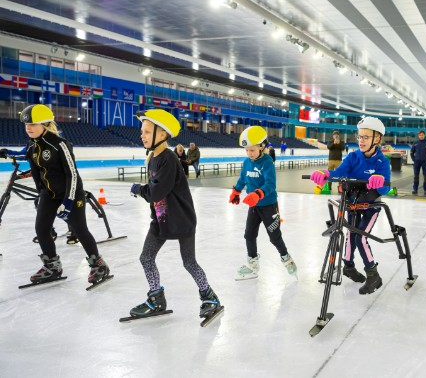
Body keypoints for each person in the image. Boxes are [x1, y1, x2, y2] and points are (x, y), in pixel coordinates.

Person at [129, 109, 223, 321]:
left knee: (189, 262)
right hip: (161, 219)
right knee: (146, 257)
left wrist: (138, 189)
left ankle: (210, 297)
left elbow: (155, 192)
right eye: (141, 131)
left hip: (181, 219)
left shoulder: (169, 159)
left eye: (146, 131)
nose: (141, 135)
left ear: (162, 134)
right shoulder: (153, 156)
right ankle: (156, 299)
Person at [18, 104, 110, 287]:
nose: (28, 127)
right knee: (42, 229)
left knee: (80, 230)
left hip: (71, 194)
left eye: (33, 124)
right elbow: (36, 172)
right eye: (26, 124)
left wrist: (68, 201)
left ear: (45, 124)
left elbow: (72, 174)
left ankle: (98, 265)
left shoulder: (60, 144)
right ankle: (52, 265)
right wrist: (40, 194)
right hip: (49, 195)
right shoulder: (32, 145)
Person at [309, 117, 391, 295]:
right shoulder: (353, 156)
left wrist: (380, 181)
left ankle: (373, 274)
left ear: (377, 139)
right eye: (359, 137)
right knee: (350, 233)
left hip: (371, 205)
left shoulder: (382, 162)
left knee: (360, 237)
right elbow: (338, 173)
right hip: (353, 202)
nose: (361, 141)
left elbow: (385, 187)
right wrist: (325, 173)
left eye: (366, 137)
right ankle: (348, 266)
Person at [229, 126, 297, 280]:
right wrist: (236, 191)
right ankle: (252, 264)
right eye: (246, 150)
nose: (249, 153)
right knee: (249, 235)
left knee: (275, 237)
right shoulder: (247, 162)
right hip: (254, 206)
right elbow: (243, 179)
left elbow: (270, 184)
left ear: (262, 146)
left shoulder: (267, 162)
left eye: (252, 150)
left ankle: (286, 258)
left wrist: (258, 194)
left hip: (268, 206)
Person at [410, 130, 426, 195]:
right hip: (416, 162)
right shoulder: (415, 143)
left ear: (424, 135)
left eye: (422, 135)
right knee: (416, 176)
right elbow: (412, 152)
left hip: (425, 162)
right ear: (418, 135)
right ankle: (415, 189)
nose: (421, 136)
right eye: (420, 135)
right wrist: (414, 160)